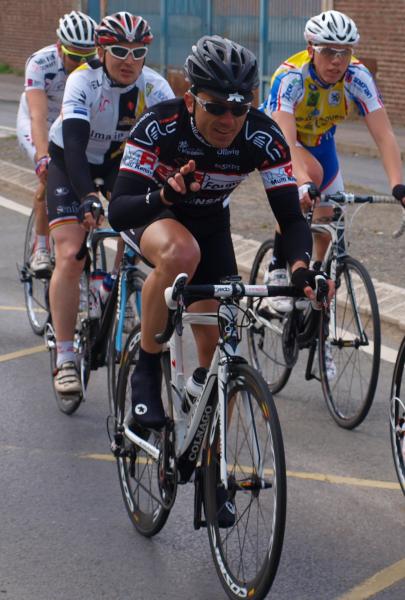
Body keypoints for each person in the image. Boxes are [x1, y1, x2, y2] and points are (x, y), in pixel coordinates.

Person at [108, 34, 334, 433]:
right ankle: (146, 369)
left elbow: (291, 216)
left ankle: (213, 463)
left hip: (211, 224)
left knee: (221, 357)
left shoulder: (263, 136)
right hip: (153, 212)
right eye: (216, 107)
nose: (228, 120)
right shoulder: (159, 125)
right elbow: (118, 210)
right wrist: (164, 194)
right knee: (181, 253)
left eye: (239, 108)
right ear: (191, 100)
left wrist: (301, 268)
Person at [46, 11, 174, 394]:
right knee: (71, 255)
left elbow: (172, 146)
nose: (129, 60)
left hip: (121, 162)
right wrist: (88, 196)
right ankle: (65, 357)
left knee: (140, 226)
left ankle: (113, 284)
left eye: (138, 52)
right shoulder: (82, 81)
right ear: (101, 52)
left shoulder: (155, 87)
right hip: (72, 161)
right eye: (119, 51)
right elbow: (73, 145)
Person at [262, 9, 405, 315]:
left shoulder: (357, 76)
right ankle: (276, 265)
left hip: (320, 140)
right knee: (308, 182)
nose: (337, 61)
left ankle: (313, 277)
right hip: (281, 137)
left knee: (330, 215)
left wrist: (398, 186)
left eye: (344, 52)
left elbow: (384, 135)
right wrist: (303, 181)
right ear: (311, 49)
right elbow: (286, 142)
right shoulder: (291, 77)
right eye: (328, 51)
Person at [17, 11, 97, 275]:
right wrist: (43, 158)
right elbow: (38, 116)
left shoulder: (98, 65)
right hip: (40, 119)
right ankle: (40, 247)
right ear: (60, 48)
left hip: (70, 122)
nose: (81, 64)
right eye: (75, 57)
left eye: (88, 57)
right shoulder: (41, 63)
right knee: (50, 172)